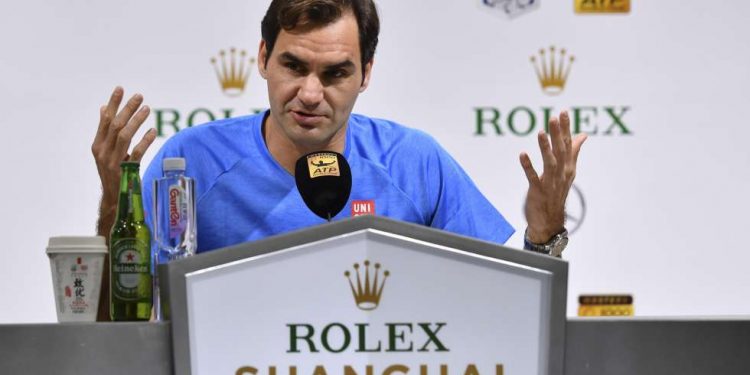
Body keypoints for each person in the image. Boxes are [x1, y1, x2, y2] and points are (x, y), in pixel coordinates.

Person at [91, 0, 586, 320]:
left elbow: (503, 313)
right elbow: (114, 324)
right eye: (293, 65)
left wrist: (543, 236)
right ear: (263, 57)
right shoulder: (191, 163)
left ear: (366, 74)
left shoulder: (414, 162)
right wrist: (114, 206)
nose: (309, 93)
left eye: (335, 73)